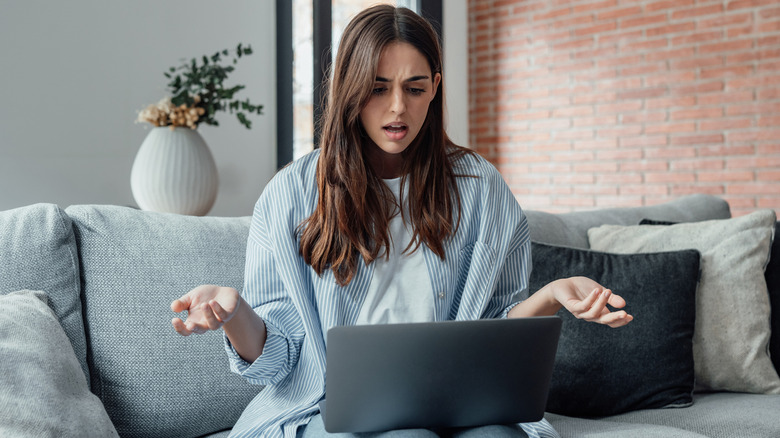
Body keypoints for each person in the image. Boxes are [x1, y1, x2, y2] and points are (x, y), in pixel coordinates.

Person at [170, 5, 633, 438]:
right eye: (377, 88)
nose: (398, 108)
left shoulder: (481, 188)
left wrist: (551, 296)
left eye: (414, 89)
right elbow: (277, 363)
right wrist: (234, 315)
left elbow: (495, 337)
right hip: (324, 409)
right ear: (348, 89)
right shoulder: (291, 194)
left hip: (460, 406)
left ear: (434, 86)